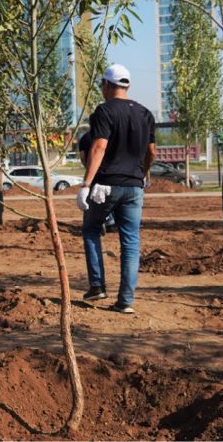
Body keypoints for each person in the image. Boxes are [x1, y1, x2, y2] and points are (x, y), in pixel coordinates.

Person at [77, 64, 156, 314]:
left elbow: (98, 148)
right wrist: (142, 174)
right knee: (131, 241)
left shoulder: (104, 111)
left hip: (106, 185)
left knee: (91, 229)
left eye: (102, 85)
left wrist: (86, 184)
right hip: (134, 187)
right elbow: (152, 152)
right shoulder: (145, 114)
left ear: (107, 85)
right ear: (127, 85)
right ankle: (126, 301)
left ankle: (98, 285)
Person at [79, 130, 115, 232]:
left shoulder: (85, 137)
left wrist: (89, 169)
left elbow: (82, 156)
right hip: (109, 172)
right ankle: (109, 221)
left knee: (92, 198)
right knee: (110, 197)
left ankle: (95, 222)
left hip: (93, 173)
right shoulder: (109, 135)